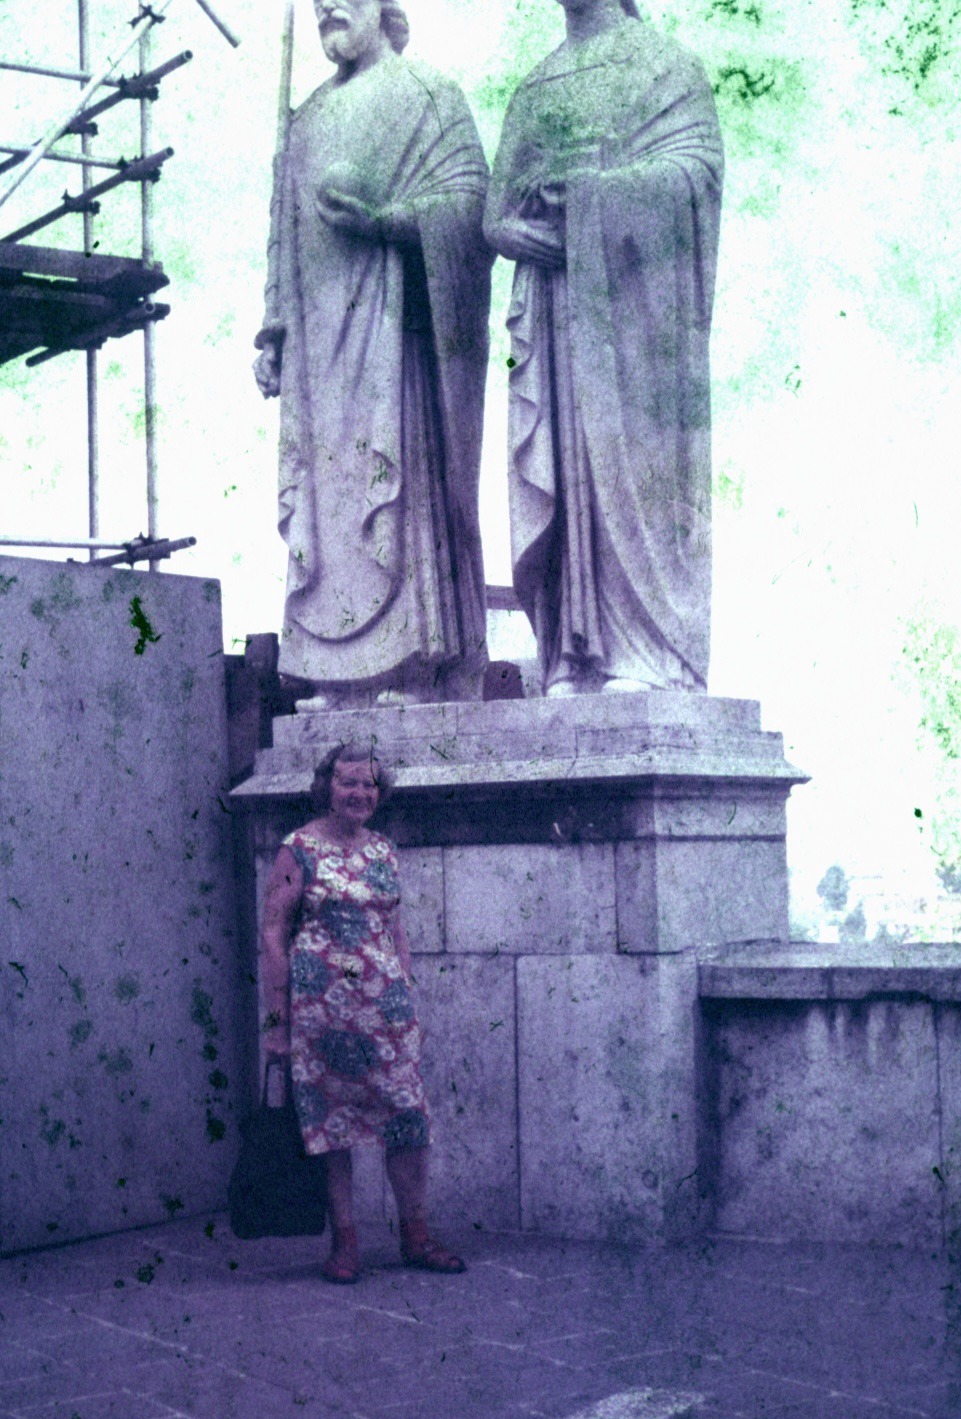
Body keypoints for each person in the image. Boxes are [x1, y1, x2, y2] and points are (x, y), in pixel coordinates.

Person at [254, 0, 492, 707]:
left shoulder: (428, 98)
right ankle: (338, 673)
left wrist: (390, 224)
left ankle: (413, 667)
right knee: (328, 501)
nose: (328, 5)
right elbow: (283, 236)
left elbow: (469, 209)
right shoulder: (303, 122)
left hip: (395, 340)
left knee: (395, 489)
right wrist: (272, 328)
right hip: (315, 355)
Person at [483, 0, 724, 697]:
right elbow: (495, 216)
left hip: (637, 324)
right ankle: (573, 654)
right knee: (565, 467)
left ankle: (647, 656)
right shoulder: (537, 85)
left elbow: (695, 177)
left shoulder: (666, 66)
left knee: (633, 475)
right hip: (556, 310)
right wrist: (529, 231)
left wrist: (590, 196)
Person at [259, 743, 464, 1281]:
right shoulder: (297, 849)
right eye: (349, 783)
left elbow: (392, 925)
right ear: (327, 785)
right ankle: (345, 1243)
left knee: (408, 1118)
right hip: (320, 1013)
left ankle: (415, 1235)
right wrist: (276, 1026)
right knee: (333, 1127)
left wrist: (404, 985)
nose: (359, 793)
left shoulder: (382, 850)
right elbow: (273, 931)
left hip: (386, 1012)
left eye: (369, 785)